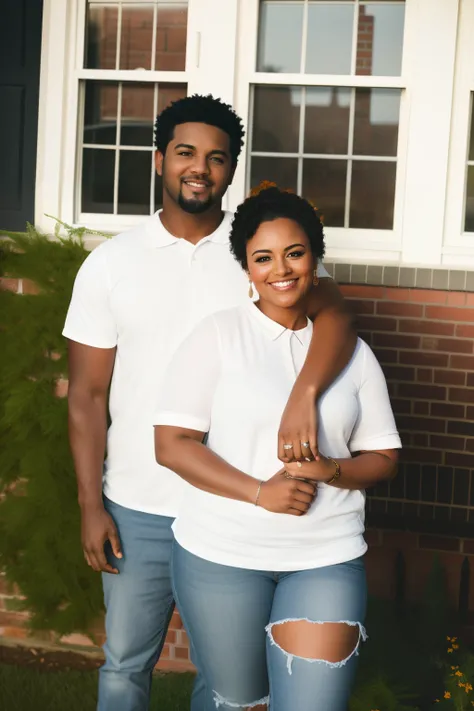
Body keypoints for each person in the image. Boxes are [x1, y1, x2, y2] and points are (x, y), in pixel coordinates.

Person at [63, 95, 356, 711]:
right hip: (138, 506)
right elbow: (88, 396)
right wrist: (92, 504)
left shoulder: (258, 251)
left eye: (217, 158)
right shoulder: (110, 264)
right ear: (159, 160)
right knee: (124, 664)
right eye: (186, 153)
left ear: (231, 170)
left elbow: (336, 316)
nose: (200, 168)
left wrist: (306, 393)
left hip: (236, 507)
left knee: (228, 681)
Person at [154, 186, 401, 711]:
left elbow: (384, 458)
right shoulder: (217, 336)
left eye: (295, 252)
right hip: (221, 555)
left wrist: (331, 470)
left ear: (316, 259)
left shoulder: (353, 354)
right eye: (262, 257)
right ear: (246, 268)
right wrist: (259, 491)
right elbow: (172, 446)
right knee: (239, 703)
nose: (281, 270)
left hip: (325, 557)